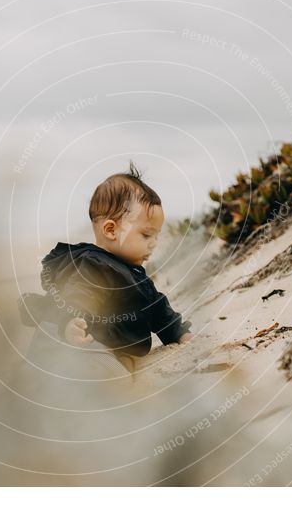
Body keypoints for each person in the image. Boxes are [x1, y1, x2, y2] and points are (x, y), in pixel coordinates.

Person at [18, 162, 193, 381]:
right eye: (146, 235)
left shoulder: (136, 276)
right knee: (104, 377)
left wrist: (178, 333)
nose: (154, 243)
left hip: (111, 350)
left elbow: (158, 308)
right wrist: (70, 321)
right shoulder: (95, 266)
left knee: (116, 373)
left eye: (157, 236)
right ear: (111, 230)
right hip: (84, 346)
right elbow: (75, 296)